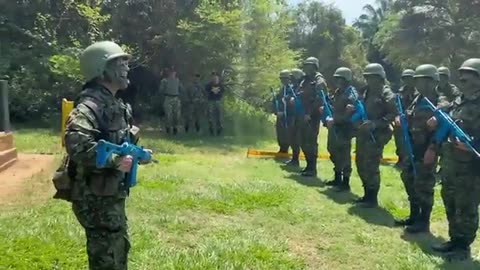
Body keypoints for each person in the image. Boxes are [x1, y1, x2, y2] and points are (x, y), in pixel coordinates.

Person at [64, 41, 153, 269]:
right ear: (101, 69)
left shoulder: (117, 105)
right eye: (119, 62)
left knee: (118, 247)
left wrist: (138, 153)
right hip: (95, 197)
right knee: (106, 257)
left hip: (110, 194)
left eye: (125, 62)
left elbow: (119, 143)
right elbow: (77, 145)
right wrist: (115, 161)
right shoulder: (89, 107)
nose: (126, 67)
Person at [431, 58, 480, 260]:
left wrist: (474, 146)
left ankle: (463, 247)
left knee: (466, 207)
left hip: (470, 168)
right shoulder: (458, 100)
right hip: (450, 164)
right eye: (460, 76)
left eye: (466, 76)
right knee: (450, 201)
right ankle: (454, 239)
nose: (461, 79)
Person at [394, 64, 449, 233]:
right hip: (411, 148)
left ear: (433, 82)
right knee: (409, 180)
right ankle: (414, 216)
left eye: (424, 81)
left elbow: (446, 112)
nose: (420, 84)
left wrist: (433, 148)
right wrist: (401, 119)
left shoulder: (440, 101)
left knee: (424, 185)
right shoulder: (417, 99)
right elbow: (409, 116)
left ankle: (423, 222)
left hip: (427, 149)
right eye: (418, 80)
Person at [353, 63, 397, 207]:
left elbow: (393, 113)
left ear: (380, 78)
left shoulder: (386, 93)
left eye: (373, 77)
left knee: (371, 165)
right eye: (368, 77)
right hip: (363, 133)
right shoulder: (365, 92)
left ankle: (372, 198)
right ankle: (366, 194)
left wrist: (376, 123)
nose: (370, 80)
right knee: (360, 163)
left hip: (377, 135)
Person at [323, 67, 357, 192]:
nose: (338, 81)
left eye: (340, 79)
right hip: (335, 126)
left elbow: (351, 112)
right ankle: (337, 177)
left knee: (344, 155)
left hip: (345, 128)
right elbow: (334, 106)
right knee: (332, 150)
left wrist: (336, 120)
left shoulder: (351, 93)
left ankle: (345, 182)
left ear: (346, 79)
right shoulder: (338, 92)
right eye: (337, 78)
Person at [297, 57, 327, 177]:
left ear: (314, 67)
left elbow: (320, 99)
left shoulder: (319, 81)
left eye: (309, 66)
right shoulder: (305, 80)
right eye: (305, 66)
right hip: (303, 114)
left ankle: (312, 168)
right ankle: (308, 166)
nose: (306, 68)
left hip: (312, 116)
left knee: (311, 142)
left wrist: (309, 113)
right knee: (303, 141)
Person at [393, 69, 416, 168]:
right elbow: (396, 106)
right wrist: (397, 116)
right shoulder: (400, 93)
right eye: (405, 79)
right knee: (399, 138)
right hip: (402, 120)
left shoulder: (418, 92)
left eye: (409, 78)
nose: (407, 81)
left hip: (414, 120)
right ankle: (401, 158)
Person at [285, 68, 305, 167]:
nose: (290, 79)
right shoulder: (291, 87)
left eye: (292, 77)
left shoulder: (302, 86)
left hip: (298, 116)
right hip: (291, 115)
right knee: (292, 137)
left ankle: (296, 158)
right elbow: (288, 96)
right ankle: (294, 158)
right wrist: (288, 98)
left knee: (298, 138)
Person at [159, 67, 184, 135]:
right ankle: (168, 128)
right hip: (168, 98)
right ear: (169, 73)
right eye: (171, 72)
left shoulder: (177, 80)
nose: (172, 73)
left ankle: (175, 128)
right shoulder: (165, 80)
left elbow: (182, 89)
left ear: (175, 73)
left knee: (177, 115)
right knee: (168, 115)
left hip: (176, 98)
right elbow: (161, 90)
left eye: (174, 72)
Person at [273, 69, 292, 154]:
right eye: (282, 79)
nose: (283, 80)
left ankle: (285, 149)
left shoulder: (291, 89)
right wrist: (276, 111)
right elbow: (277, 101)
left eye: (285, 78)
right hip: (280, 115)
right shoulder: (281, 89)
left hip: (288, 116)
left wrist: (283, 112)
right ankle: (282, 148)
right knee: (280, 132)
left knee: (287, 133)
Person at [205, 71, 226, 136]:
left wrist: (217, 92)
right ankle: (211, 130)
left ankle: (219, 129)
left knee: (219, 117)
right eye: (213, 77)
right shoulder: (208, 85)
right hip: (211, 101)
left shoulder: (221, 85)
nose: (215, 79)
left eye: (216, 78)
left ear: (218, 78)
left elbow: (222, 93)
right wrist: (212, 91)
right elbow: (206, 92)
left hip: (218, 102)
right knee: (210, 117)